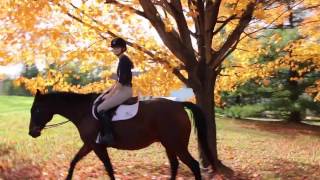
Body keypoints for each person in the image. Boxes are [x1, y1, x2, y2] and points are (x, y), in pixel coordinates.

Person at [93, 37, 134, 145]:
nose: (115, 49)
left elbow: (121, 82)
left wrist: (110, 95)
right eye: (114, 48)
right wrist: (108, 90)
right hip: (122, 89)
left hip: (125, 91)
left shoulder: (124, 61)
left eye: (117, 47)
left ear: (123, 48)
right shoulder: (122, 60)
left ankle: (109, 136)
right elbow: (118, 81)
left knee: (101, 108)